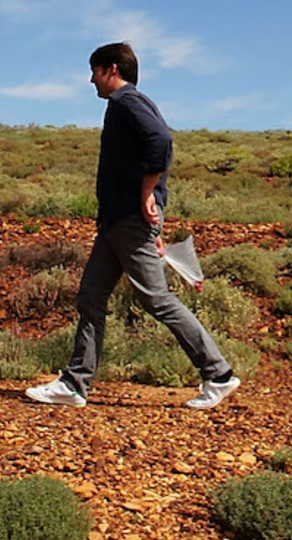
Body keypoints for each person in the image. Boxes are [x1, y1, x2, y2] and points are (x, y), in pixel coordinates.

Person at [25, 42, 240, 410]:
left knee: (157, 300)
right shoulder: (123, 106)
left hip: (129, 220)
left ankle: (217, 374)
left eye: (93, 71)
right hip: (116, 224)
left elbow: (161, 140)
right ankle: (74, 385)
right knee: (91, 296)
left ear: (111, 69)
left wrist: (146, 195)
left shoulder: (128, 103)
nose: (90, 79)